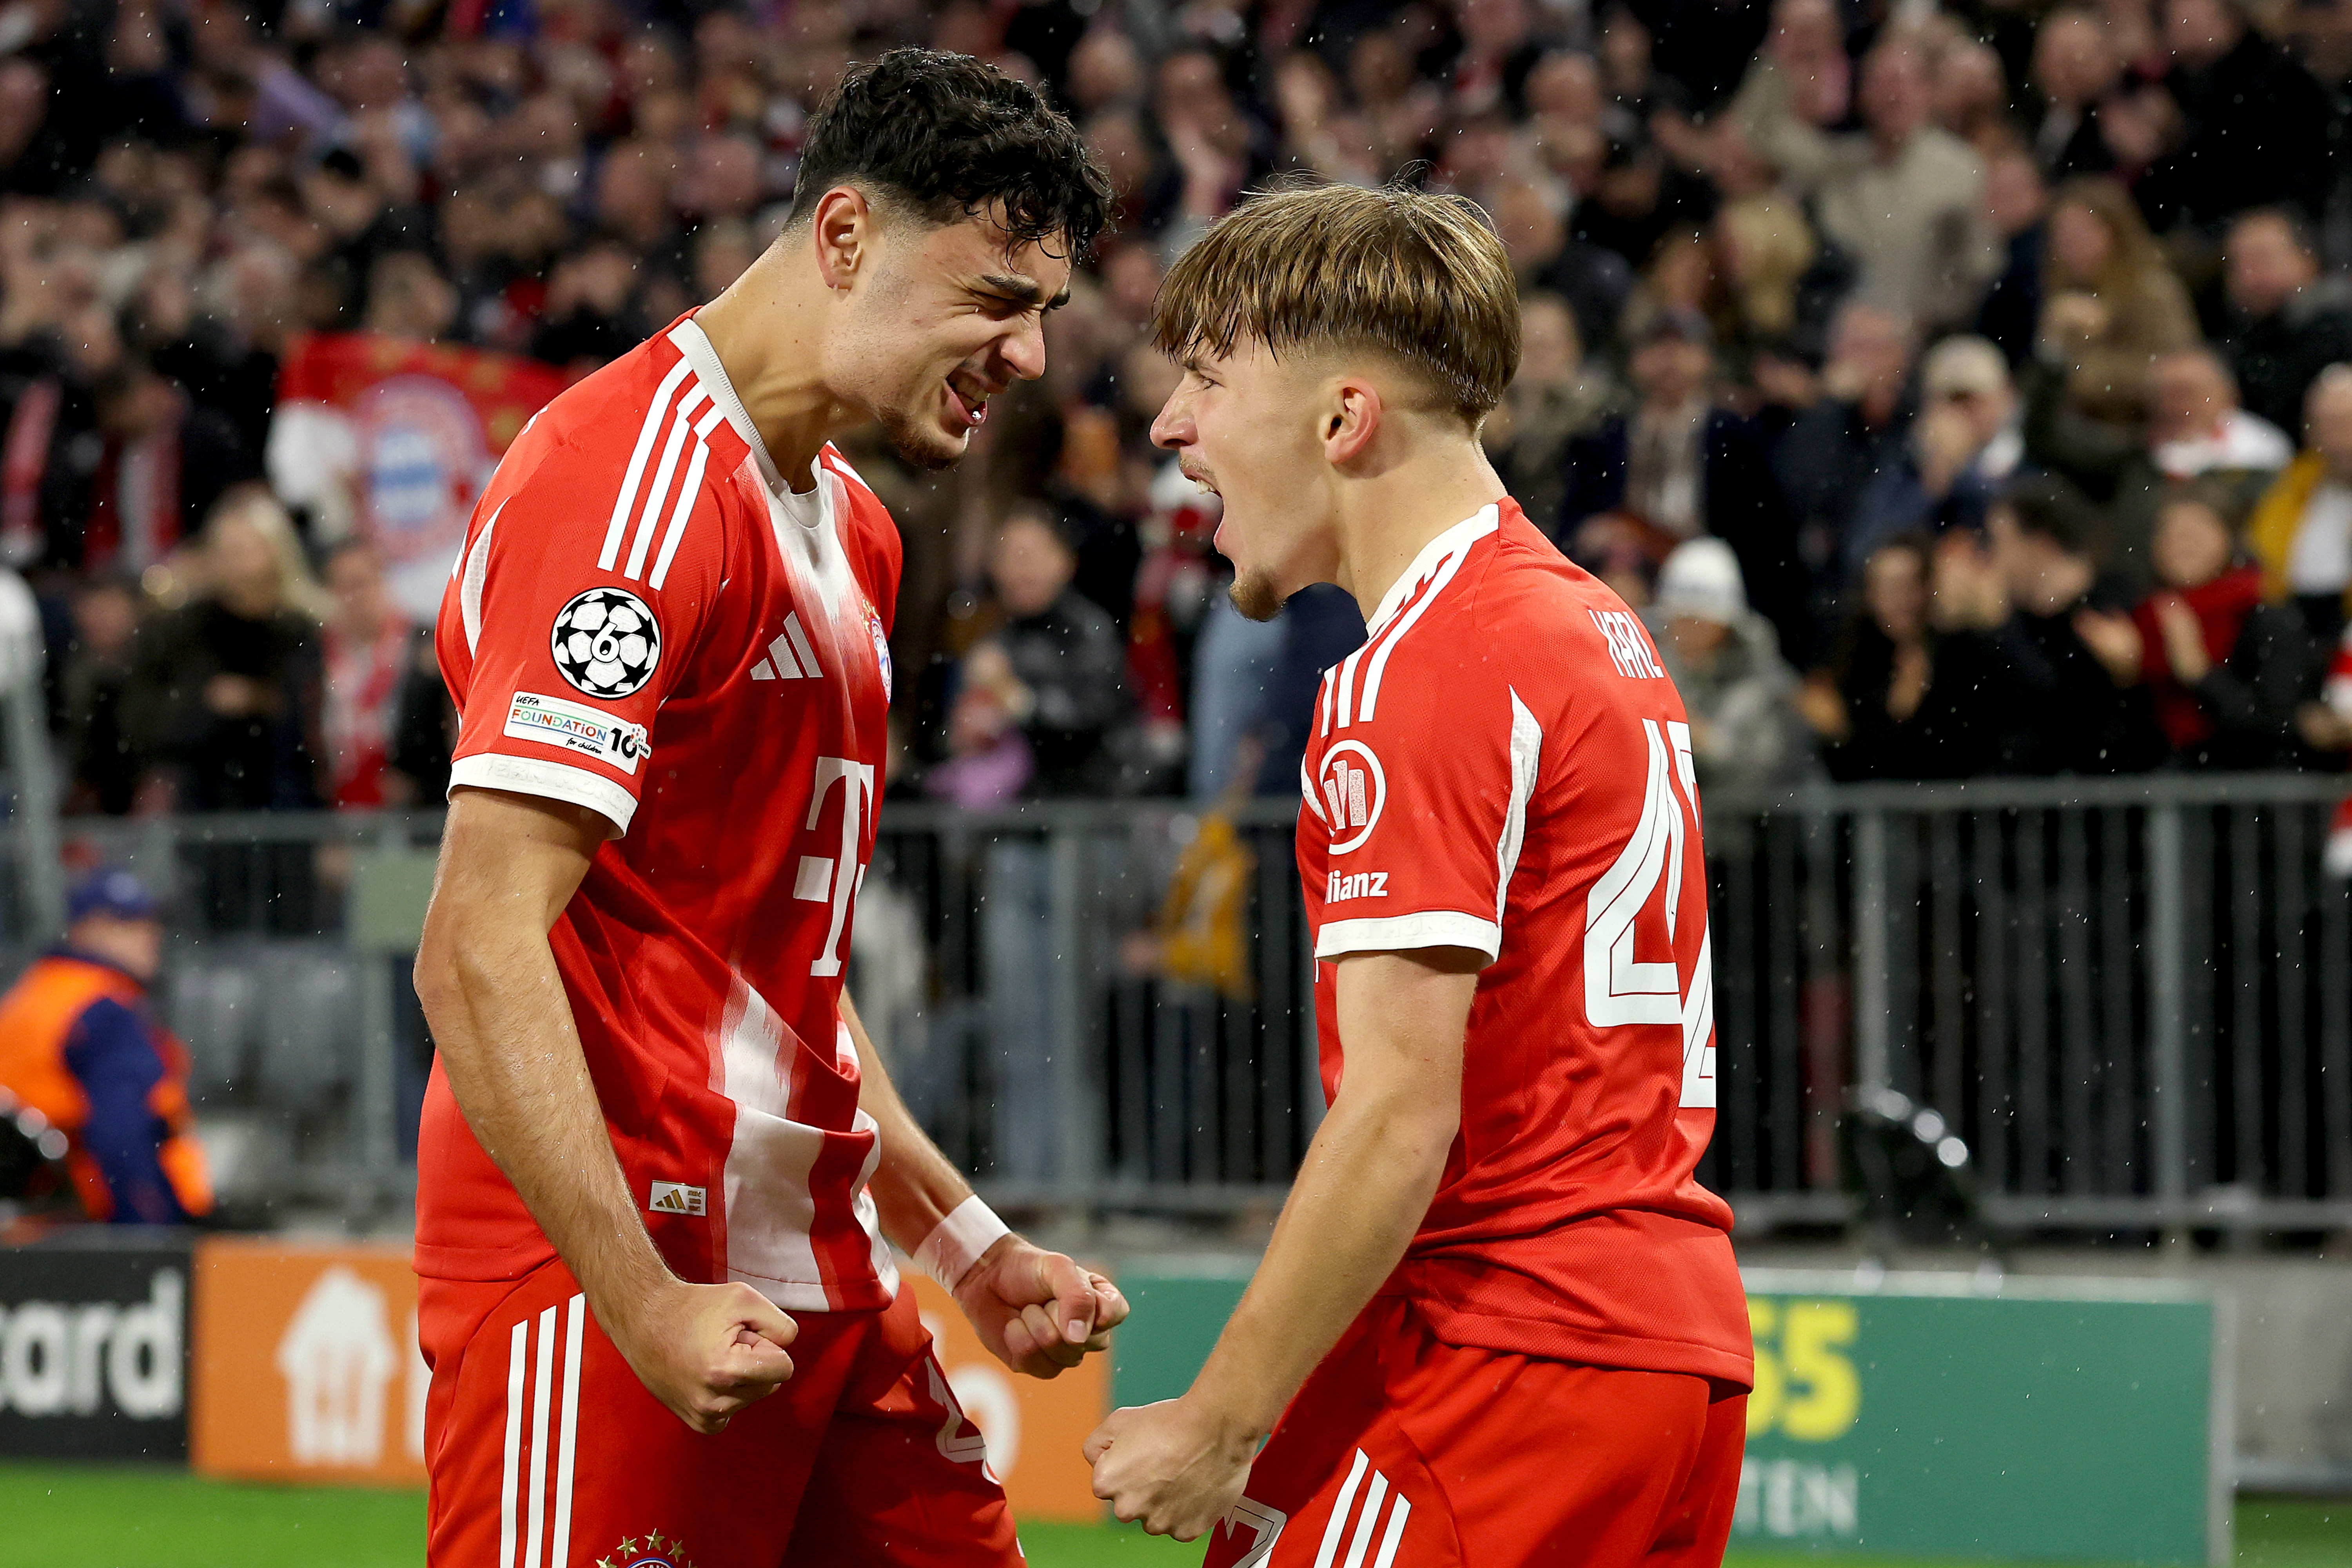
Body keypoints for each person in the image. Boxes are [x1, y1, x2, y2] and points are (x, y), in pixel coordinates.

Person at [408, 51, 1124, 1568]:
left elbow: (774, 978)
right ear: (847, 235)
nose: (1031, 358)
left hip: (815, 1265)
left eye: (1047, 314)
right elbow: (478, 941)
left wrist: (965, 1241)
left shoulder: (854, 526)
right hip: (617, 1272)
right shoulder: (623, 488)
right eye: (998, 300)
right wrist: (636, 1291)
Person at [1087, 183, 1750, 1564]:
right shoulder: (1587, 623)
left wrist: (1220, 1417)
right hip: (1664, 1343)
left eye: (1207, 379)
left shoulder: (1419, 669)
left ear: (1343, 420)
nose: (1171, 428)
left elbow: (1399, 1112)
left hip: (1516, 1340)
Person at [0, 868, 211, 1224]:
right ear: (88, 930)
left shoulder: (32, 991)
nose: (149, 936)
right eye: (127, 925)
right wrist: (147, 1225)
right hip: (88, 1212)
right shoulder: (104, 1009)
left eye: (150, 923)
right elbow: (121, 1133)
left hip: (31, 1211)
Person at [2125, 488, 2318, 769]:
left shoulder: (2267, 616)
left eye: (2197, 532)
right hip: (2168, 790)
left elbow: (2279, 722)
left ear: (2229, 538)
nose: (2183, 544)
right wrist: (2124, 674)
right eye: (2170, 534)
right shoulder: (2141, 619)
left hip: (2250, 797)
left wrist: (2201, 674)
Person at [1642, 536, 1810, 792]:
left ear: (1726, 626)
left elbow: (1767, 776)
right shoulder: (1651, 672)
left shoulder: (1763, 686)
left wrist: (1704, 742)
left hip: (1746, 830)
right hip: (1675, 826)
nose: (1686, 630)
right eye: (1680, 618)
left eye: (1697, 619)